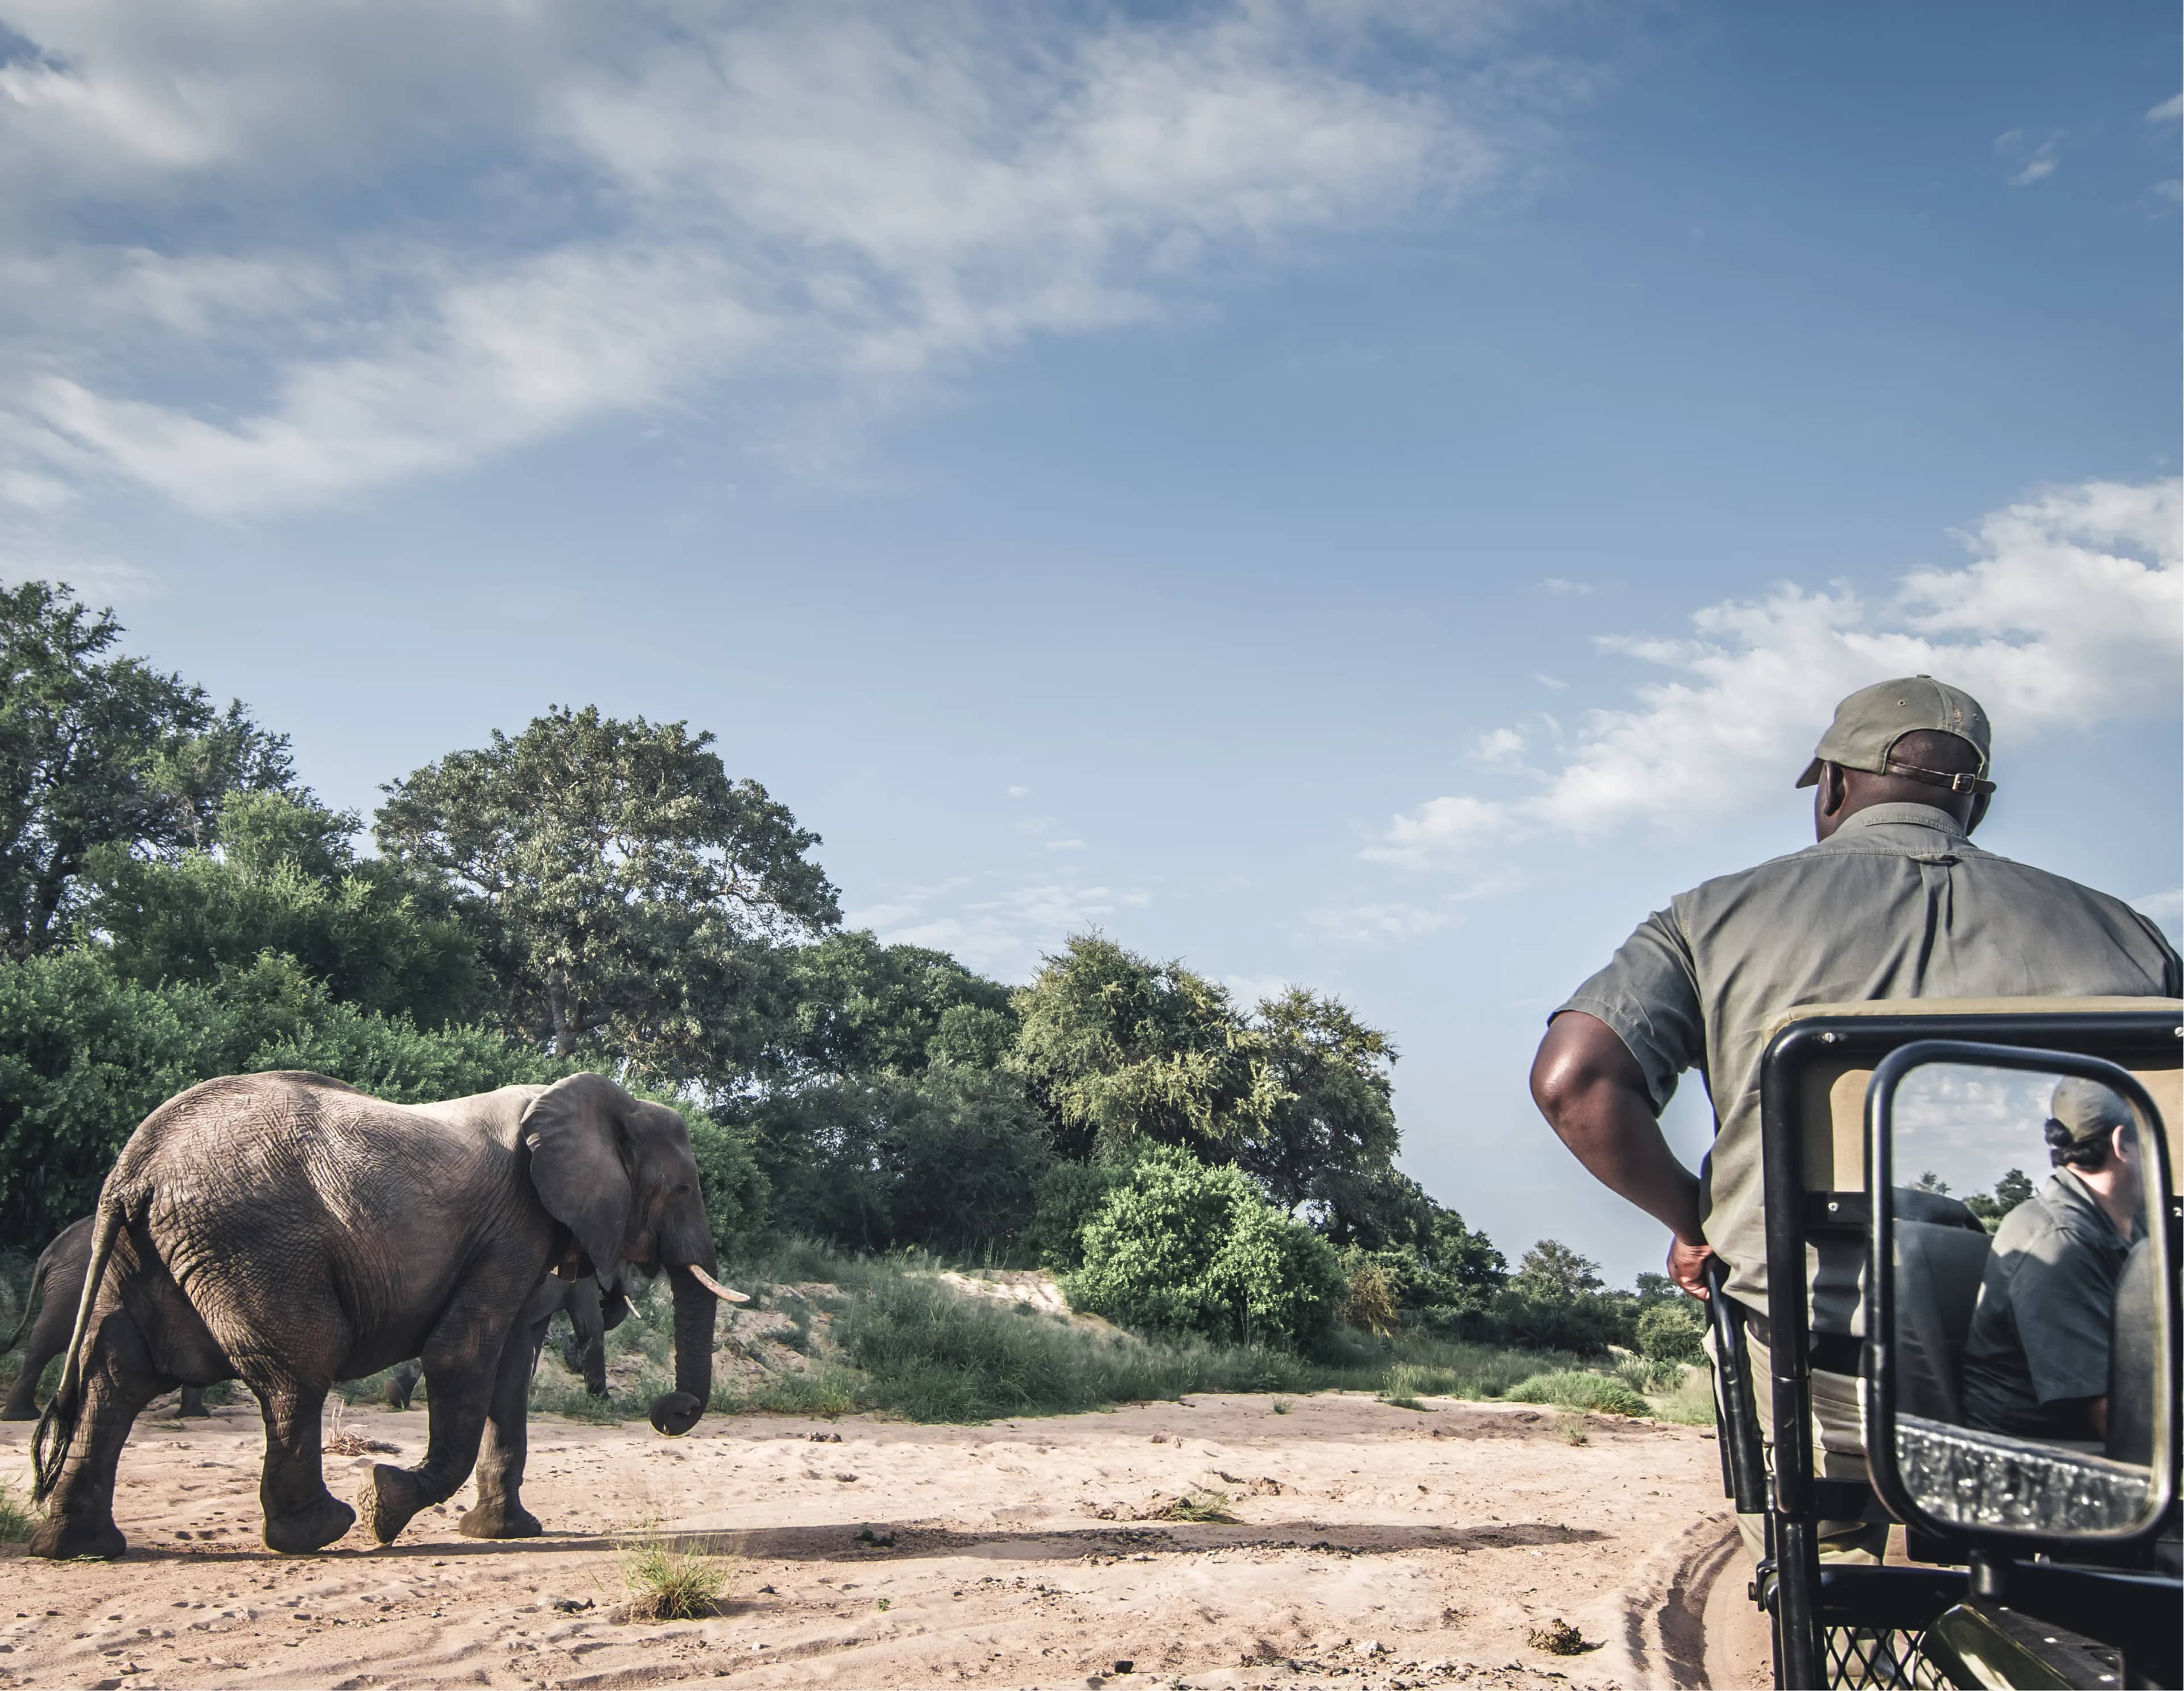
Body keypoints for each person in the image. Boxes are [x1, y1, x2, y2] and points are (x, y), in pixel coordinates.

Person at [1528, 675, 2181, 1558]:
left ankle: (1834, 1561)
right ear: (1976, 803)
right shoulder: (2130, 936)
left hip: (1824, 1364)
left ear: (1832, 786)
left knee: (1816, 1538)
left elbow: (1574, 1080)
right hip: (2091, 1392)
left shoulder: (1710, 917)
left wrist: (1701, 1219)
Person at [1960, 1078, 2145, 1442]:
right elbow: (2110, 1416)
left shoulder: (2127, 1224)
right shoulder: (2059, 1242)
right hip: (2037, 1459)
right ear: (2122, 1143)